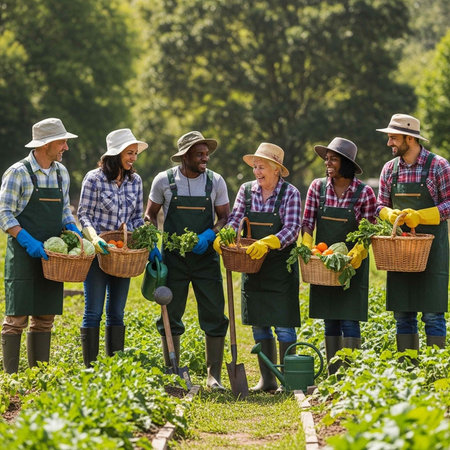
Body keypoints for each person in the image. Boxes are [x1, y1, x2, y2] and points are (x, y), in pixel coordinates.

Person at [145, 131, 230, 390]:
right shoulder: (164, 181)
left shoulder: (215, 181)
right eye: (199, 154)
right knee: (170, 312)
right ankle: (173, 372)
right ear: (185, 156)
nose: (205, 158)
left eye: (206, 153)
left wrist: (209, 234)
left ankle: (213, 376)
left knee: (214, 312)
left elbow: (225, 218)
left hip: (206, 259)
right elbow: (150, 215)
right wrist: (151, 244)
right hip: (174, 259)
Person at [216, 143, 302, 392]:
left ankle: (289, 380)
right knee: (259, 323)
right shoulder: (246, 190)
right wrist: (226, 236)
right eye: (255, 166)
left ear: (276, 169)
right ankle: (268, 380)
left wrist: (269, 242)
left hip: (279, 268)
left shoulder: (290, 193)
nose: (257, 172)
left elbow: (292, 228)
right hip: (252, 265)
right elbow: (235, 219)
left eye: (262, 167)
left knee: (284, 324)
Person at [0, 118, 80, 373]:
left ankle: (38, 375)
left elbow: (64, 212)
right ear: (46, 144)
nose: (66, 147)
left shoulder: (61, 173)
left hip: (52, 257)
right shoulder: (18, 173)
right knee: (16, 318)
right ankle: (11, 377)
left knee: (45, 318)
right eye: (62, 141)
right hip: (24, 254)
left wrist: (75, 231)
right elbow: (4, 214)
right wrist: (27, 241)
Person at [301, 137, 376, 375]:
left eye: (333, 159)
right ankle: (334, 372)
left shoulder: (365, 193)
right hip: (324, 262)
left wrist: (359, 251)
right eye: (327, 159)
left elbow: (369, 228)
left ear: (346, 163)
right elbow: (307, 223)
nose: (328, 163)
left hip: (351, 265)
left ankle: (350, 373)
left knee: (349, 318)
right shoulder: (317, 187)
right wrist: (307, 246)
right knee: (330, 317)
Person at [376, 113, 449, 352]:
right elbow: (379, 205)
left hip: (432, 252)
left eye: (394, 138)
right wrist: (388, 215)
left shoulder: (438, 166)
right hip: (401, 253)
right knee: (403, 315)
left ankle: (434, 370)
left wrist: (422, 216)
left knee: (432, 315)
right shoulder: (389, 170)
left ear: (410, 138)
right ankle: (407, 370)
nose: (389, 144)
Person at [77, 128, 148, 367]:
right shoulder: (94, 179)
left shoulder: (135, 181)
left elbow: (137, 217)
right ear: (115, 154)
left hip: (123, 255)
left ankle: (112, 368)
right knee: (93, 311)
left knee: (117, 312)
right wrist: (94, 239)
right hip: (99, 254)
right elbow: (83, 214)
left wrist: (145, 239)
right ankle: (90, 368)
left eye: (135, 153)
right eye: (129, 153)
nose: (133, 158)